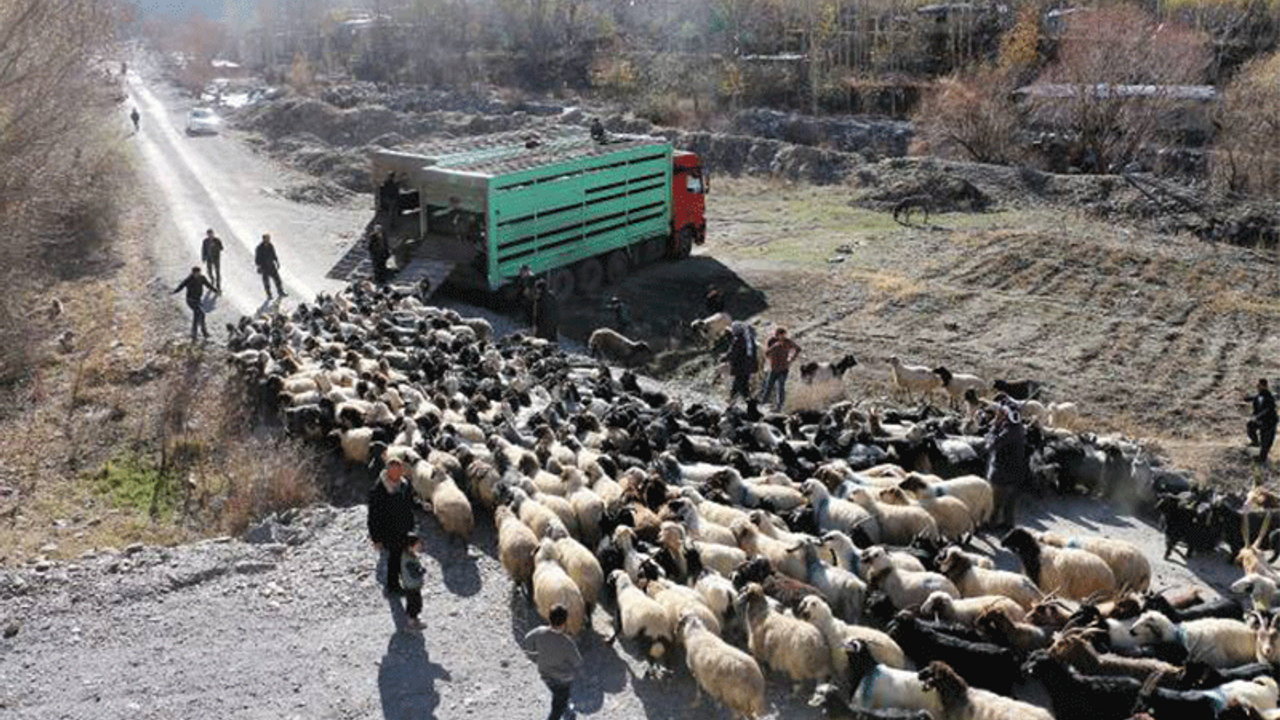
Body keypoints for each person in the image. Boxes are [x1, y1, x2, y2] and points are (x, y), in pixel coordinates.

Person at [367, 455, 424, 631]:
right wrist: (376, 538)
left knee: (396, 559)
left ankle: (394, 587)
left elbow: (411, 501)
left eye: (399, 469)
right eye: (393, 468)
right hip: (390, 533)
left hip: (406, 531)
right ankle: (409, 610)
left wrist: (422, 505)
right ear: (388, 470)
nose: (396, 472)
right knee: (402, 563)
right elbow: (374, 516)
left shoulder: (404, 484)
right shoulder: (379, 489)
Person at [523, 604, 582, 720]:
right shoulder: (567, 642)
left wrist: (534, 657)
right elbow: (577, 662)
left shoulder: (539, 632)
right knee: (557, 707)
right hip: (563, 679)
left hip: (545, 675)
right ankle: (562, 711)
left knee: (557, 694)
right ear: (564, 622)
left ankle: (565, 706)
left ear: (549, 618)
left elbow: (527, 639)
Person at [985, 401, 1028, 530]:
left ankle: (991, 525)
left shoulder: (1009, 430)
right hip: (1014, 472)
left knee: (995, 503)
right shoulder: (1017, 427)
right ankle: (1008, 525)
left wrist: (993, 429)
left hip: (1001, 473)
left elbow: (990, 445)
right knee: (1009, 503)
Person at [759, 326, 801, 412]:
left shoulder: (787, 342)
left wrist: (791, 359)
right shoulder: (772, 341)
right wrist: (775, 347)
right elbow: (767, 353)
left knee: (780, 387)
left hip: (783, 368)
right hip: (773, 367)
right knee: (768, 386)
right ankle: (763, 404)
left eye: (784, 335)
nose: (782, 337)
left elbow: (798, 349)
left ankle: (779, 407)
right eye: (780, 335)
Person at [171, 266, 218, 341]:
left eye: (199, 273)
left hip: (198, 300)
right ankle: (196, 333)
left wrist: (216, 291)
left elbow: (208, 285)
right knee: (199, 313)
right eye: (196, 273)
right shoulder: (189, 279)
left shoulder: (202, 278)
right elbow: (181, 286)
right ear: (193, 273)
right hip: (190, 300)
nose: (197, 275)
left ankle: (201, 332)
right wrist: (174, 292)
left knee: (200, 314)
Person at [722, 321, 757, 406]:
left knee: (740, 385)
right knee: (740, 384)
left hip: (740, 367)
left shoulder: (738, 340)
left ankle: (746, 402)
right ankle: (734, 400)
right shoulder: (749, 339)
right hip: (748, 367)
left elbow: (733, 352)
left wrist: (724, 358)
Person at [1247, 378, 1279, 464]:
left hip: (1270, 423)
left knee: (1266, 443)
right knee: (1250, 425)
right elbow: (1251, 398)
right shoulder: (1258, 396)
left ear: (1265, 386)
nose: (1257, 387)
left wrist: (1258, 416)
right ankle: (1255, 441)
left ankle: (1262, 462)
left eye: (1259, 385)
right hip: (1261, 421)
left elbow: (1269, 409)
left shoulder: (1270, 397)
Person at [255, 233, 286, 300]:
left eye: (268, 238)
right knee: (266, 282)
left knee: (277, 279)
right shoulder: (259, 248)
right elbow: (257, 258)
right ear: (263, 239)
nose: (268, 240)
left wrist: (277, 262)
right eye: (267, 238)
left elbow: (274, 254)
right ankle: (269, 295)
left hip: (271, 265)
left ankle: (280, 291)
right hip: (264, 267)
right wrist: (259, 266)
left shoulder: (270, 246)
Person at [531, 278, 559, 343]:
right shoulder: (552, 296)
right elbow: (557, 310)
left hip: (542, 327)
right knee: (553, 342)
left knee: (541, 344)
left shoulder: (539, 299)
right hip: (553, 325)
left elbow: (537, 314)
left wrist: (535, 325)